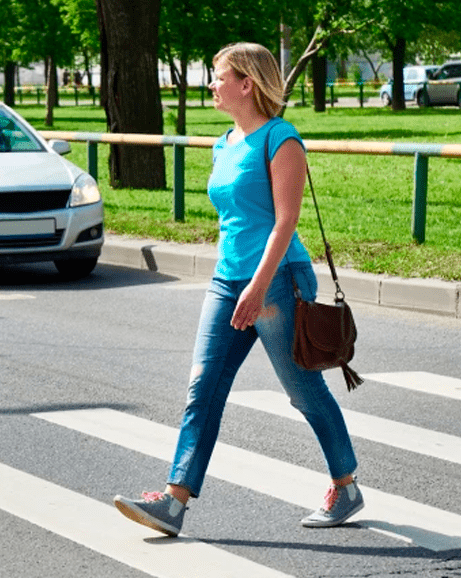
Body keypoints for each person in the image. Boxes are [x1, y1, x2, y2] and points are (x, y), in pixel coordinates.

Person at [113, 42, 363, 536]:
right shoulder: (224, 142)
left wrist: (259, 286)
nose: (211, 84)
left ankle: (346, 485)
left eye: (218, 76)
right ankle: (174, 501)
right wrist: (238, 282)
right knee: (202, 387)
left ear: (246, 83)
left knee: (303, 390)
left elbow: (285, 222)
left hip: (275, 281)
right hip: (228, 280)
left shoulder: (281, 139)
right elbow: (235, 219)